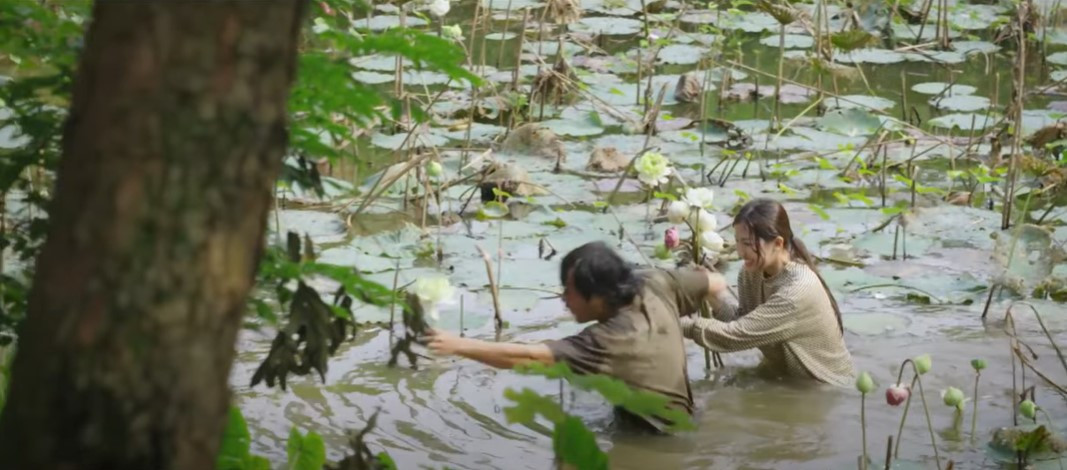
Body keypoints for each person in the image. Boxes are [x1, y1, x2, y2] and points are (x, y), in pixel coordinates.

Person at [426, 241, 715, 432]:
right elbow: (716, 282)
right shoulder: (655, 281)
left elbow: (527, 357)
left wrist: (457, 344)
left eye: (568, 290)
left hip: (656, 440)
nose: (563, 298)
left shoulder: (609, 340)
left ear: (598, 297)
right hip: (687, 417)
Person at [679, 198, 855, 386]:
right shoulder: (751, 272)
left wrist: (674, 321)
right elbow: (743, 322)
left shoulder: (797, 291)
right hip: (785, 376)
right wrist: (710, 294)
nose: (740, 252)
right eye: (737, 242)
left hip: (823, 387)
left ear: (778, 243)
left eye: (748, 243)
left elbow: (735, 336)